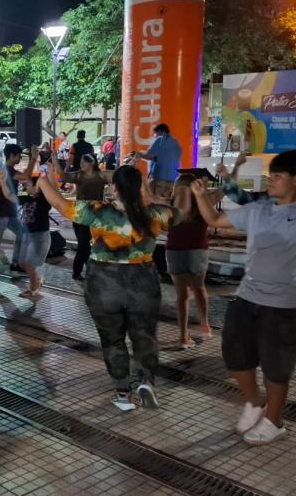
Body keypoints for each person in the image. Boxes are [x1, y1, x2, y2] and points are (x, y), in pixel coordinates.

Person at [190, 149, 296, 445]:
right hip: (247, 297)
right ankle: (254, 402)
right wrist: (201, 195)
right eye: (272, 173)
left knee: (277, 367)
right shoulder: (258, 209)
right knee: (235, 357)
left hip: (286, 304)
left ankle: (274, 420)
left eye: (278, 175)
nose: (272, 180)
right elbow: (215, 217)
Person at [36, 165, 181, 411]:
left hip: (103, 283)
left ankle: (123, 394)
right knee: (144, 336)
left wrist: (42, 181)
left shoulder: (97, 211)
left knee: (112, 340)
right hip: (143, 282)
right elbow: (180, 214)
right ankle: (146, 381)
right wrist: (149, 195)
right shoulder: (156, 214)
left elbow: (61, 205)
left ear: (114, 188)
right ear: (138, 189)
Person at [167, 174, 222, 349]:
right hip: (198, 249)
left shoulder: (171, 203)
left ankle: (183, 336)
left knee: (181, 295)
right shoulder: (202, 202)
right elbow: (226, 189)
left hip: (175, 250)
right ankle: (204, 324)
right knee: (199, 288)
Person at [50, 151, 110, 281]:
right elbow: (64, 176)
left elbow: (118, 176)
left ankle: (83, 270)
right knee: (84, 245)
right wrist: (55, 162)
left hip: (94, 215)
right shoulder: (78, 175)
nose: (81, 163)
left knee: (87, 245)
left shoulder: (101, 175)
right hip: (80, 215)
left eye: (84, 161)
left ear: (92, 163)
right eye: (81, 161)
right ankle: (79, 271)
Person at [0, 144, 35, 270]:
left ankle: (15, 263)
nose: (20, 158)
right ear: (11, 156)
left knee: (22, 234)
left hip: (9, 212)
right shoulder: (7, 170)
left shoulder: (8, 169)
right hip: (0, 212)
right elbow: (25, 176)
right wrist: (34, 159)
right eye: (18, 156)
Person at [13, 161, 56, 298]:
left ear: (37, 186)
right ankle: (38, 279)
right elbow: (11, 195)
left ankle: (33, 289)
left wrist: (51, 174)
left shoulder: (44, 200)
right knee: (21, 263)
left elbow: (54, 191)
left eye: (29, 184)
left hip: (40, 236)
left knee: (30, 264)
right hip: (26, 235)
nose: (26, 186)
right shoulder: (25, 198)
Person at [135, 123, 181, 200]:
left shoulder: (160, 139)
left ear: (160, 131)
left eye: (155, 134)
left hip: (159, 180)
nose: (154, 136)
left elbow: (150, 155)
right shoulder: (175, 142)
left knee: (155, 202)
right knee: (167, 203)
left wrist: (139, 154)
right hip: (173, 181)